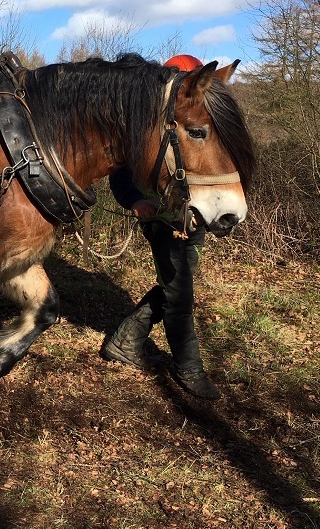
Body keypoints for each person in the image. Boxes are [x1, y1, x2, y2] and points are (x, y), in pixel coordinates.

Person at [100, 54, 221, 400]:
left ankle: (126, 340)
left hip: (191, 216)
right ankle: (189, 368)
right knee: (179, 291)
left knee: (174, 284)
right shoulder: (145, 127)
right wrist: (136, 202)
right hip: (161, 218)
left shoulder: (190, 121)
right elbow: (120, 175)